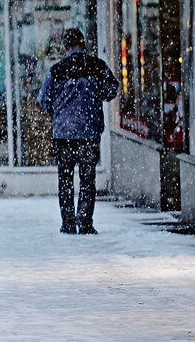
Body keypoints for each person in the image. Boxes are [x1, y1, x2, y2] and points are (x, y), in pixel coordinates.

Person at [39, 28, 119, 235]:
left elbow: (44, 99)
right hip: (89, 132)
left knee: (64, 179)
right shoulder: (96, 66)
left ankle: (68, 224)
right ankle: (84, 223)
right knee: (87, 179)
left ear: (65, 46)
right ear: (83, 44)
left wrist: (58, 113)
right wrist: (95, 97)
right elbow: (112, 90)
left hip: (63, 134)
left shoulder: (57, 70)